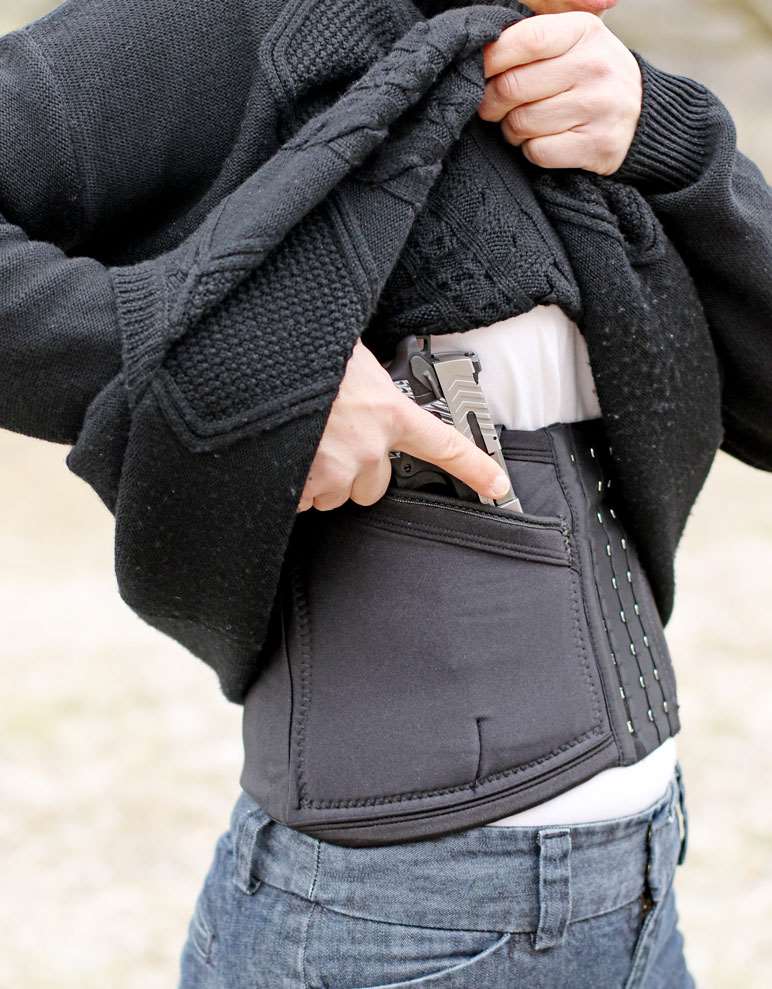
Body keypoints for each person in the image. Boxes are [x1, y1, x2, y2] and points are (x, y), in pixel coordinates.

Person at [1, 1, 769, 987]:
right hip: (393, 928)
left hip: (639, 896)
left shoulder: (578, 70)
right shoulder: (234, 24)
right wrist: (257, 373)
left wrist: (666, 138)